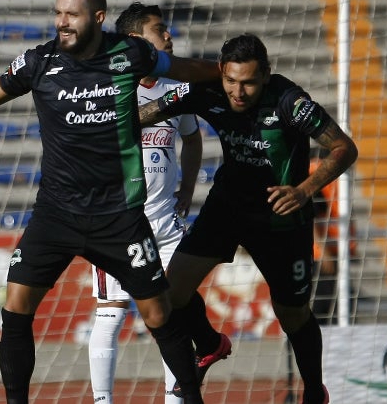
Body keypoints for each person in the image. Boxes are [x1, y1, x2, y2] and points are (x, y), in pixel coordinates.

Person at [0, 0, 221, 404]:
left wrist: (231, 74)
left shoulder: (130, 54)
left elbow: (187, 69)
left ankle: (191, 397)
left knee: (158, 314)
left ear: (97, 17)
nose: (62, 22)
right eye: (58, 13)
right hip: (56, 214)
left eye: (71, 14)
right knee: (15, 309)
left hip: (118, 217)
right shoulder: (38, 62)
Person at [138, 33, 358, 404]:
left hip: (281, 218)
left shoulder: (291, 102)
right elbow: (144, 114)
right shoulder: (205, 90)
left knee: (291, 314)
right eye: (231, 81)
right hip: (227, 208)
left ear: (266, 76)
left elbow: (344, 148)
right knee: (171, 295)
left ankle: (313, 392)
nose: (238, 92)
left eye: (249, 83)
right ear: (222, 72)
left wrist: (304, 190)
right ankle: (208, 343)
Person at [87, 2, 205, 404]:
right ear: (137, 40)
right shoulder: (109, 86)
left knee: (173, 315)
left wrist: (188, 188)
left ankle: (176, 399)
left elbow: (192, 137)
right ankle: (102, 400)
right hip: (119, 225)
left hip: (167, 225)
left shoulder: (175, 89)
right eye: (161, 30)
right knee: (111, 312)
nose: (169, 36)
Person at [309, 155, 357, 325]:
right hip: (321, 256)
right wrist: (322, 251)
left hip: (336, 251)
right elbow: (310, 215)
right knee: (319, 309)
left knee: (340, 308)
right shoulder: (317, 170)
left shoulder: (333, 169)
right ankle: (299, 350)